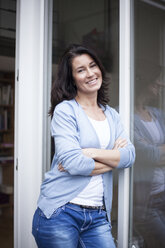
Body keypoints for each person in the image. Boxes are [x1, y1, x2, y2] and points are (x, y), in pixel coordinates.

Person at [32, 44, 135, 248]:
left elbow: (130, 156)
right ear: (72, 79)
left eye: (92, 66)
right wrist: (114, 158)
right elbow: (74, 164)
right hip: (62, 212)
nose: (90, 73)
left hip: (98, 215)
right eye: (81, 70)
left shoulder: (112, 115)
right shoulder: (65, 111)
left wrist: (91, 153)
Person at [133, 63, 165, 247]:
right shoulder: (124, 114)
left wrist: (152, 152)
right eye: (157, 80)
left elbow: (150, 154)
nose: (161, 84)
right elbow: (145, 154)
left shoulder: (157, 114)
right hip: (146, 201)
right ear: (145, 82)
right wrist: (153, 152)